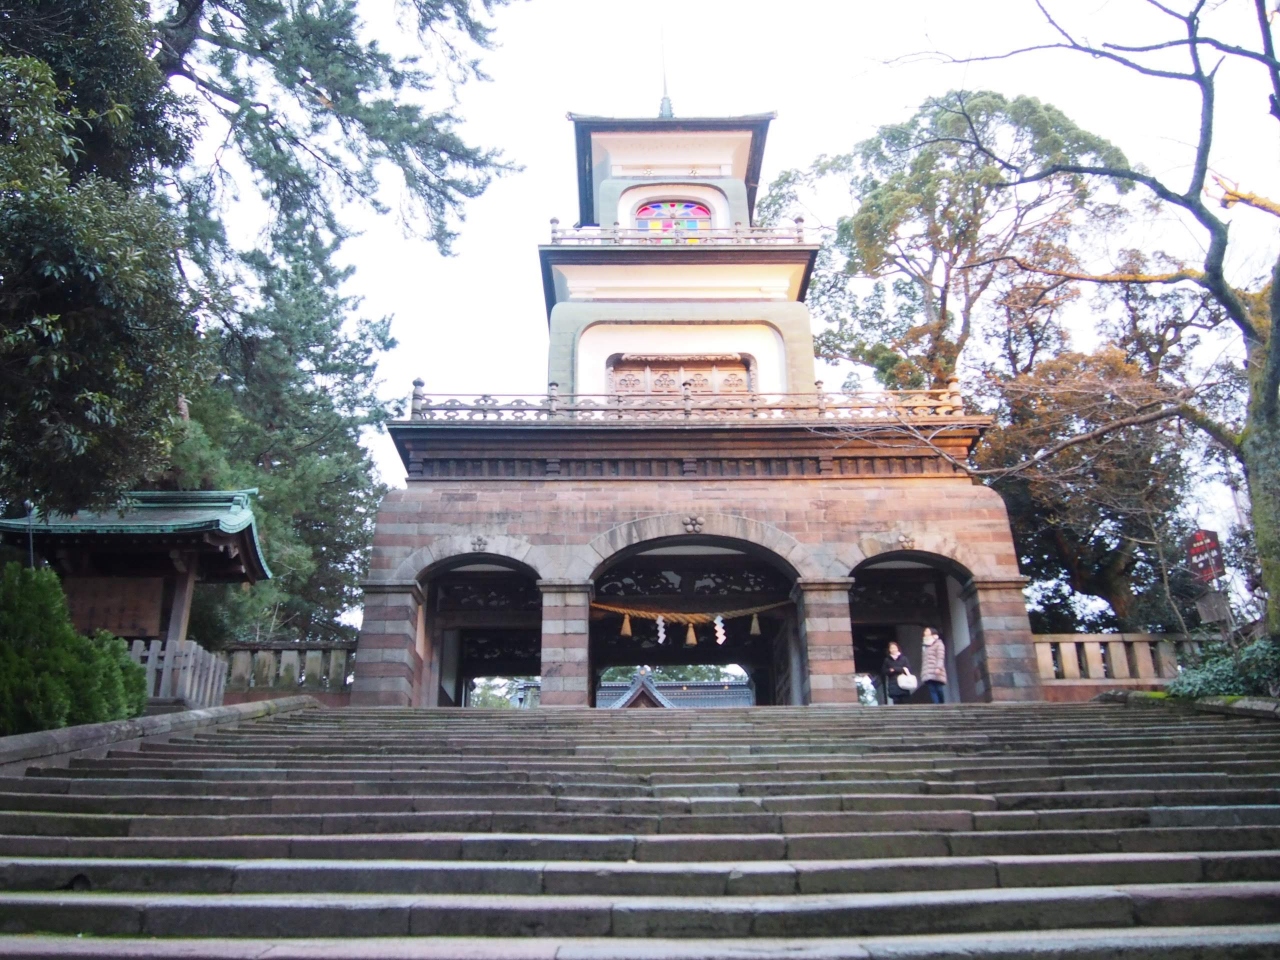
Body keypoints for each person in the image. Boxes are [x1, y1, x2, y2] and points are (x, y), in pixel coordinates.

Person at [881, 641, 914, 705]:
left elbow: (908, 669)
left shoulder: (904, 658)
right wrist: (890, 671)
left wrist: (895, 669)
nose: (893, 649)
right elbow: (884, 671)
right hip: (893, 683)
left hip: (904, 683)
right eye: (891, 648)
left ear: (897, 648)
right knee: (896, 702)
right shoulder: (887, 660)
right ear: (889, 650)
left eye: (894, 647)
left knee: (905, 701)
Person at [921, 627, 947, 704]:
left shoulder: (938, 643)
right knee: (931, 689)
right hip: (928, 671)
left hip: (936, 669)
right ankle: (937, 705)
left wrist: (938, 667)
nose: (925, 632)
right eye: (925, 631)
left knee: (938, 689)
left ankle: (941, 703)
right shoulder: (924, 646)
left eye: (927, 631)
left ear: (932, 633)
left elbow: (940, 656)